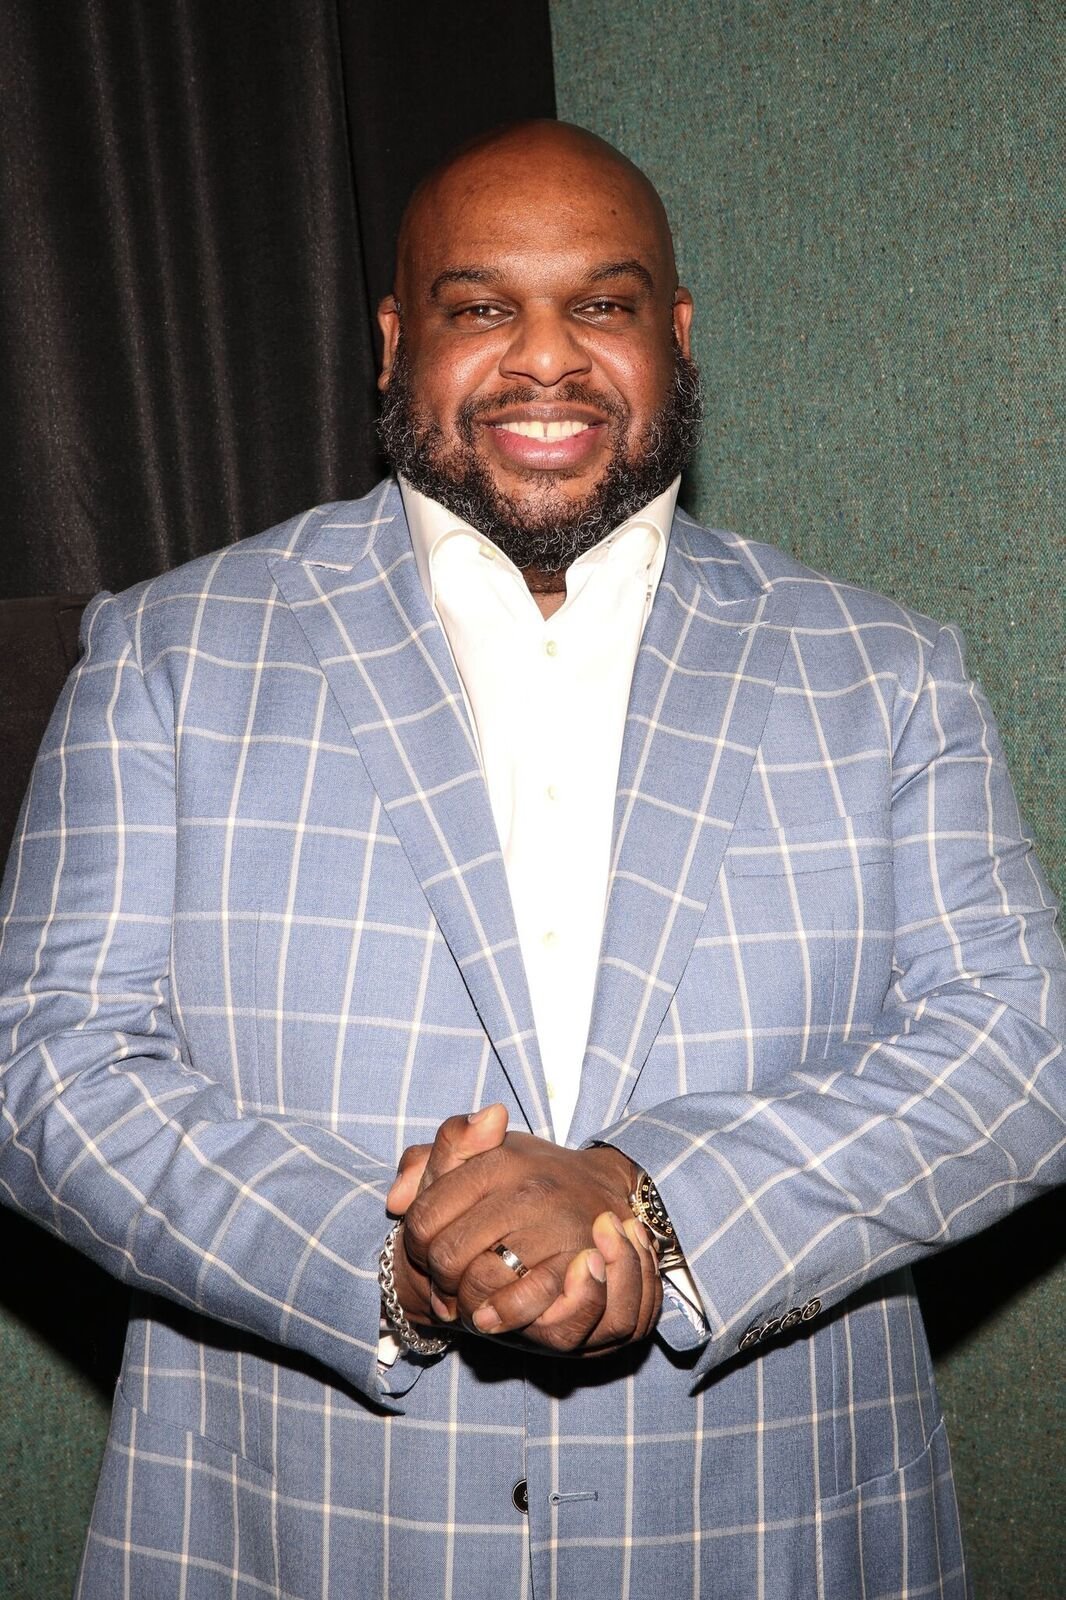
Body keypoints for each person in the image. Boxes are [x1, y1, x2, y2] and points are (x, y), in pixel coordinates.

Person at [0, 119, 1063, 1600]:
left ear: (674, 337)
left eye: (602, 305)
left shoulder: (882, 671)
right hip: (289, 1537)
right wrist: (387, 1261)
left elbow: (1019, 1052)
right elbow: (48, 1065)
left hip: (780, 1532)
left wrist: (649, 1199)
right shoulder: (171, 655)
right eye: (480, 306)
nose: (543, 357)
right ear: (393, 341)